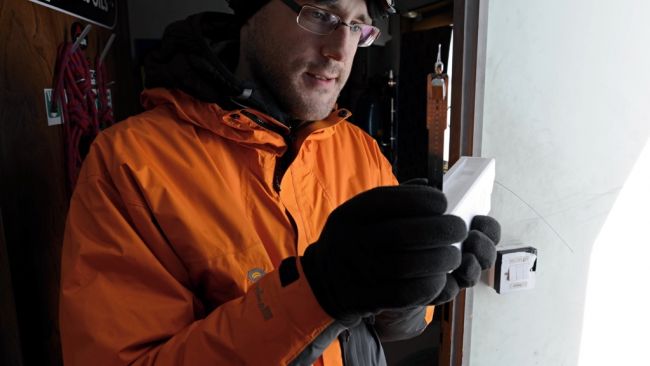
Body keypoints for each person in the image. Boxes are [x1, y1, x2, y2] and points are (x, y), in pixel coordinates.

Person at [58, 0, 501, 365]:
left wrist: (420, 283)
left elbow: (388, 325)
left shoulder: (359, 150)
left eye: (358, 28)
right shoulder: (129, 164)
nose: (339, 51)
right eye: (321, 15)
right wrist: (318, 293)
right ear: (252, 12)